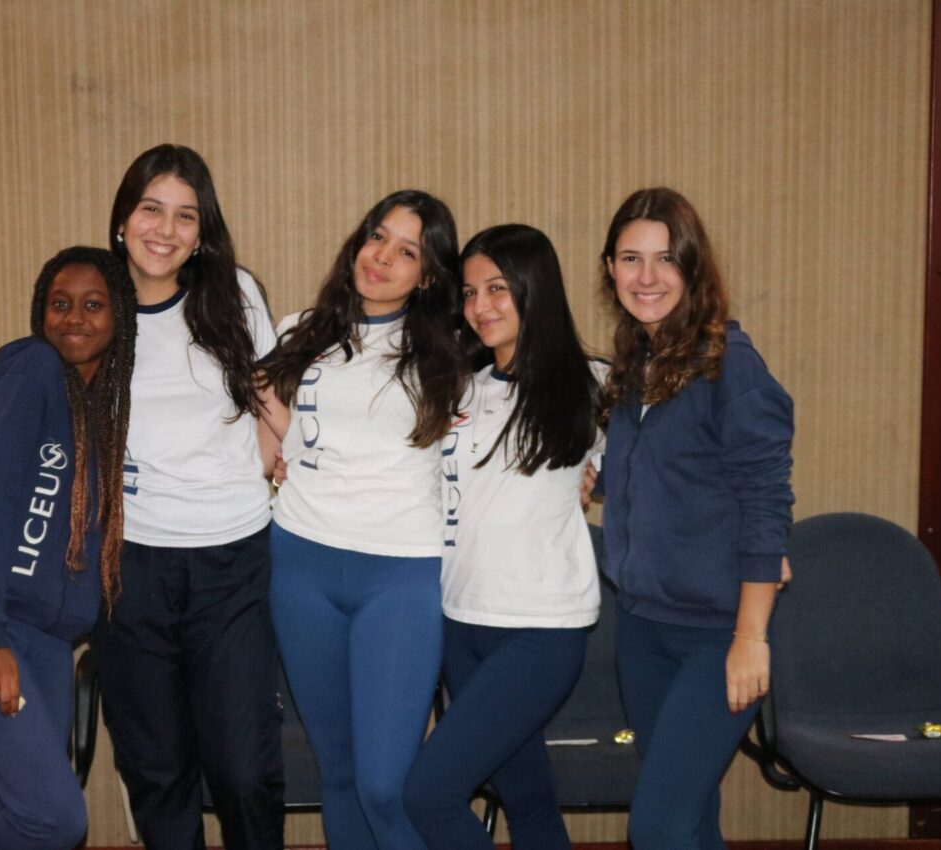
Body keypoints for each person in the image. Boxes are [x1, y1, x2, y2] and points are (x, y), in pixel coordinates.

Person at [0, 145, 284, 850]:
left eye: (185, 215)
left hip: (231, 561)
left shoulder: (234, 294)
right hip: (125, 564)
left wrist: (277, 469)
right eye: (151, 209)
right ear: (123, 219)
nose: (166, 229)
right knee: (156, 769)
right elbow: (28, 410)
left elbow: (269, 403)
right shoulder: (97, 306)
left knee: (244, 767)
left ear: (202, 231)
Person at [258, 190, 465, 850]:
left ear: (427, 275)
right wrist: (270, 434)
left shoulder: (454, 354)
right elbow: (275, 436)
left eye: (407, 251)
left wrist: (590, 463)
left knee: (384, 785)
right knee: (340, 774)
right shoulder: (299, 333)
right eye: (377, 237)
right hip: (301, 564)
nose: (381, 257)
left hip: (401, 575)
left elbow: (552, 389)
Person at [0, 245, 138, 850]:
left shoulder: (100, 403)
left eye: (93, 305)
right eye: (60, 304)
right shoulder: (32, 371)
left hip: (45, 638)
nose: (74, 318)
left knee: (22, 815)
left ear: (119, 316)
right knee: (55, 820)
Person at [595, 187, 794, 849]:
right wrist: (605, 480)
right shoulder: (637, 362)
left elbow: (765, 500)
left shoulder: (729, 365)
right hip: (642, 628)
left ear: (693, 267)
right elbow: (671, 472)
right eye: (630, 259)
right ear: (610, 269)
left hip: (719, 635)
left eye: (665, 259)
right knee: (689, 819)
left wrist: (751, 637)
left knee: (656, 826)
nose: (646, 277)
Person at [401, 224, 604, 849]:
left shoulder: (594, 385)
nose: (480, 306)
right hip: (459, 621)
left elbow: (668, 470)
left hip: (540, 629)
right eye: (469, 292)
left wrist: (604, 477)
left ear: (533, 288)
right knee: (528, 799)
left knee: (428, 795)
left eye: (497, 288)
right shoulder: (461, 386)